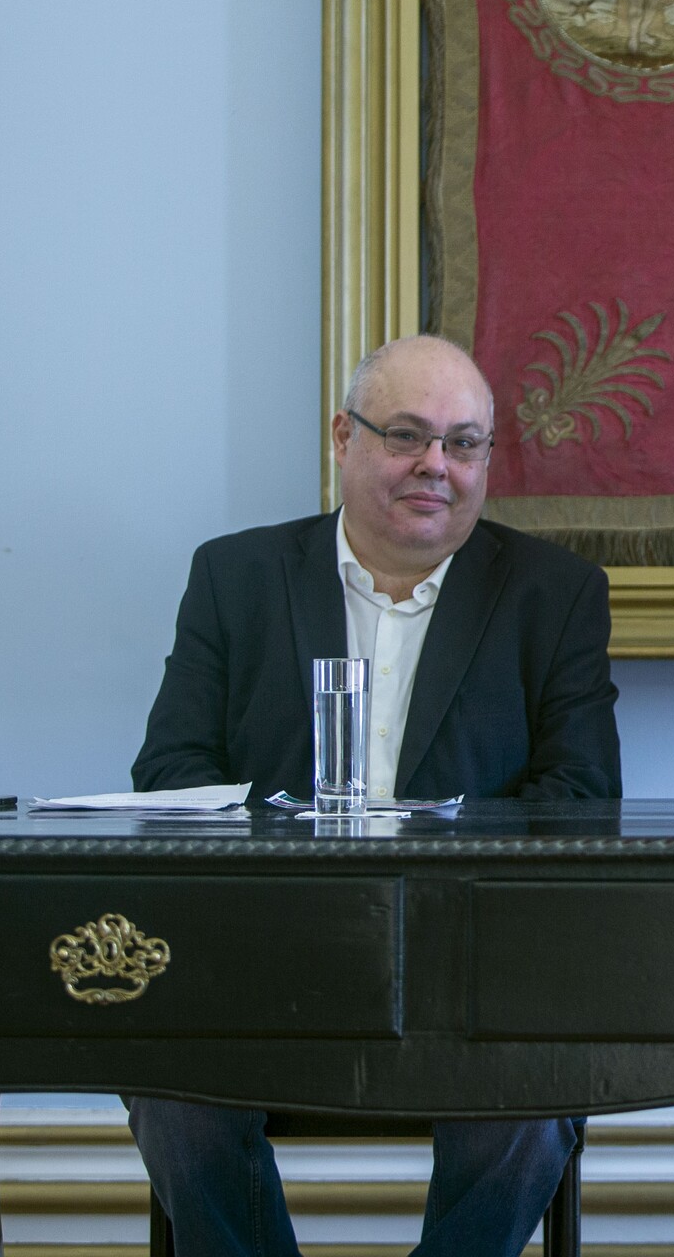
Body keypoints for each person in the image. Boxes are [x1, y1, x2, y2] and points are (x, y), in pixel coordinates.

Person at [128, 334, 620, 1257]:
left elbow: (583, 796)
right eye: (406, 435)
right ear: (342, 438)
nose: (436, 464)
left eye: (463, 443)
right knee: (171, 1094)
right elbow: (170, 772)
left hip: (472, 963)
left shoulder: (553, 595)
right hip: (261, 951)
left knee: (536, 1097)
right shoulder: (237, 577)